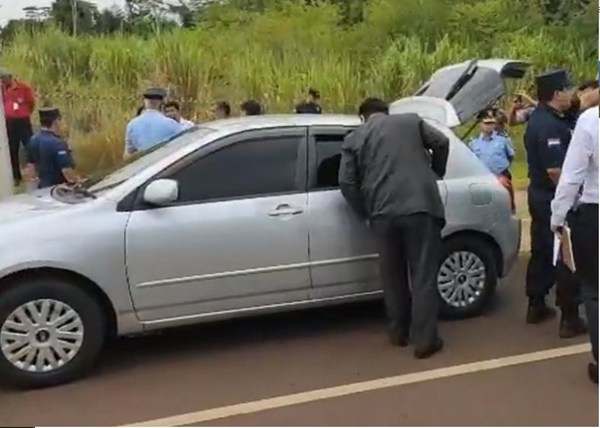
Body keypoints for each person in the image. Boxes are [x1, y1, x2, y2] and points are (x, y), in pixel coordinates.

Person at [339, 97, 450, 359]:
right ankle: (425, 340)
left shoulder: (355, 137)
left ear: (363, 117)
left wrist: (364, 211)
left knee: (392, 275)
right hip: (421, 208)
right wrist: (436, 171)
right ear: (387, 112)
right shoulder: (410, 121)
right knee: (422, 275)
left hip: (382, 214)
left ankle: (399, 332)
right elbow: (442, 142)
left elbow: (346, 181)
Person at [523, 69, 585, 334]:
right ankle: (569, 316)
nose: (572, 94)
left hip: (540, 195)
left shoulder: (542, 118)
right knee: (566, 256)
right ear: (556, 94)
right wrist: (575, 197)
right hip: (552, 196)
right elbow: (556, 171)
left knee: (542, 247)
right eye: (568, 90)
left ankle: (536, 302)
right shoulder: (550, 126)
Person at [550, 105, 599, 384]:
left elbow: (571, 176)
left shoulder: (591, 120)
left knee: (594, 290)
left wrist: (557, 217)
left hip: (595, 213)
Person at [26, 108, 80, 189]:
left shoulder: (33, 140)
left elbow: (31, 167)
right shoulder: (57, 143)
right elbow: (66, 171)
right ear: (56, 122)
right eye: (60, 120)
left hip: (43, 190)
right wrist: (78, 181)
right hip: (59, 190)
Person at [124, 87, 182, 160]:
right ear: (162, 103)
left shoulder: (132, 124)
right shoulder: (172, 124)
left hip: (144, 167)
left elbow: (128, 156)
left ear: (145, 102)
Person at [1, 69, 36, 187]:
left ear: (9, 77)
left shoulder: (23, 87)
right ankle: (16, 176)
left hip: (22, 120)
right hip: (9, 122)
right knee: (12, 148)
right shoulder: (2, 89)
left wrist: (25, 112)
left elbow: (31, 102)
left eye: (3, 79)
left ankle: (35, 171)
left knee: (30, 145)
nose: (2, 81)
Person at [468, 112, 515, 180]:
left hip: (501, 175)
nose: (489, 126)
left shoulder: (503, 140)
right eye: (486, 123)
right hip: (482, 177)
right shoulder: (473, 143)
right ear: (480, 124)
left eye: (491, 123)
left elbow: (511, 156)